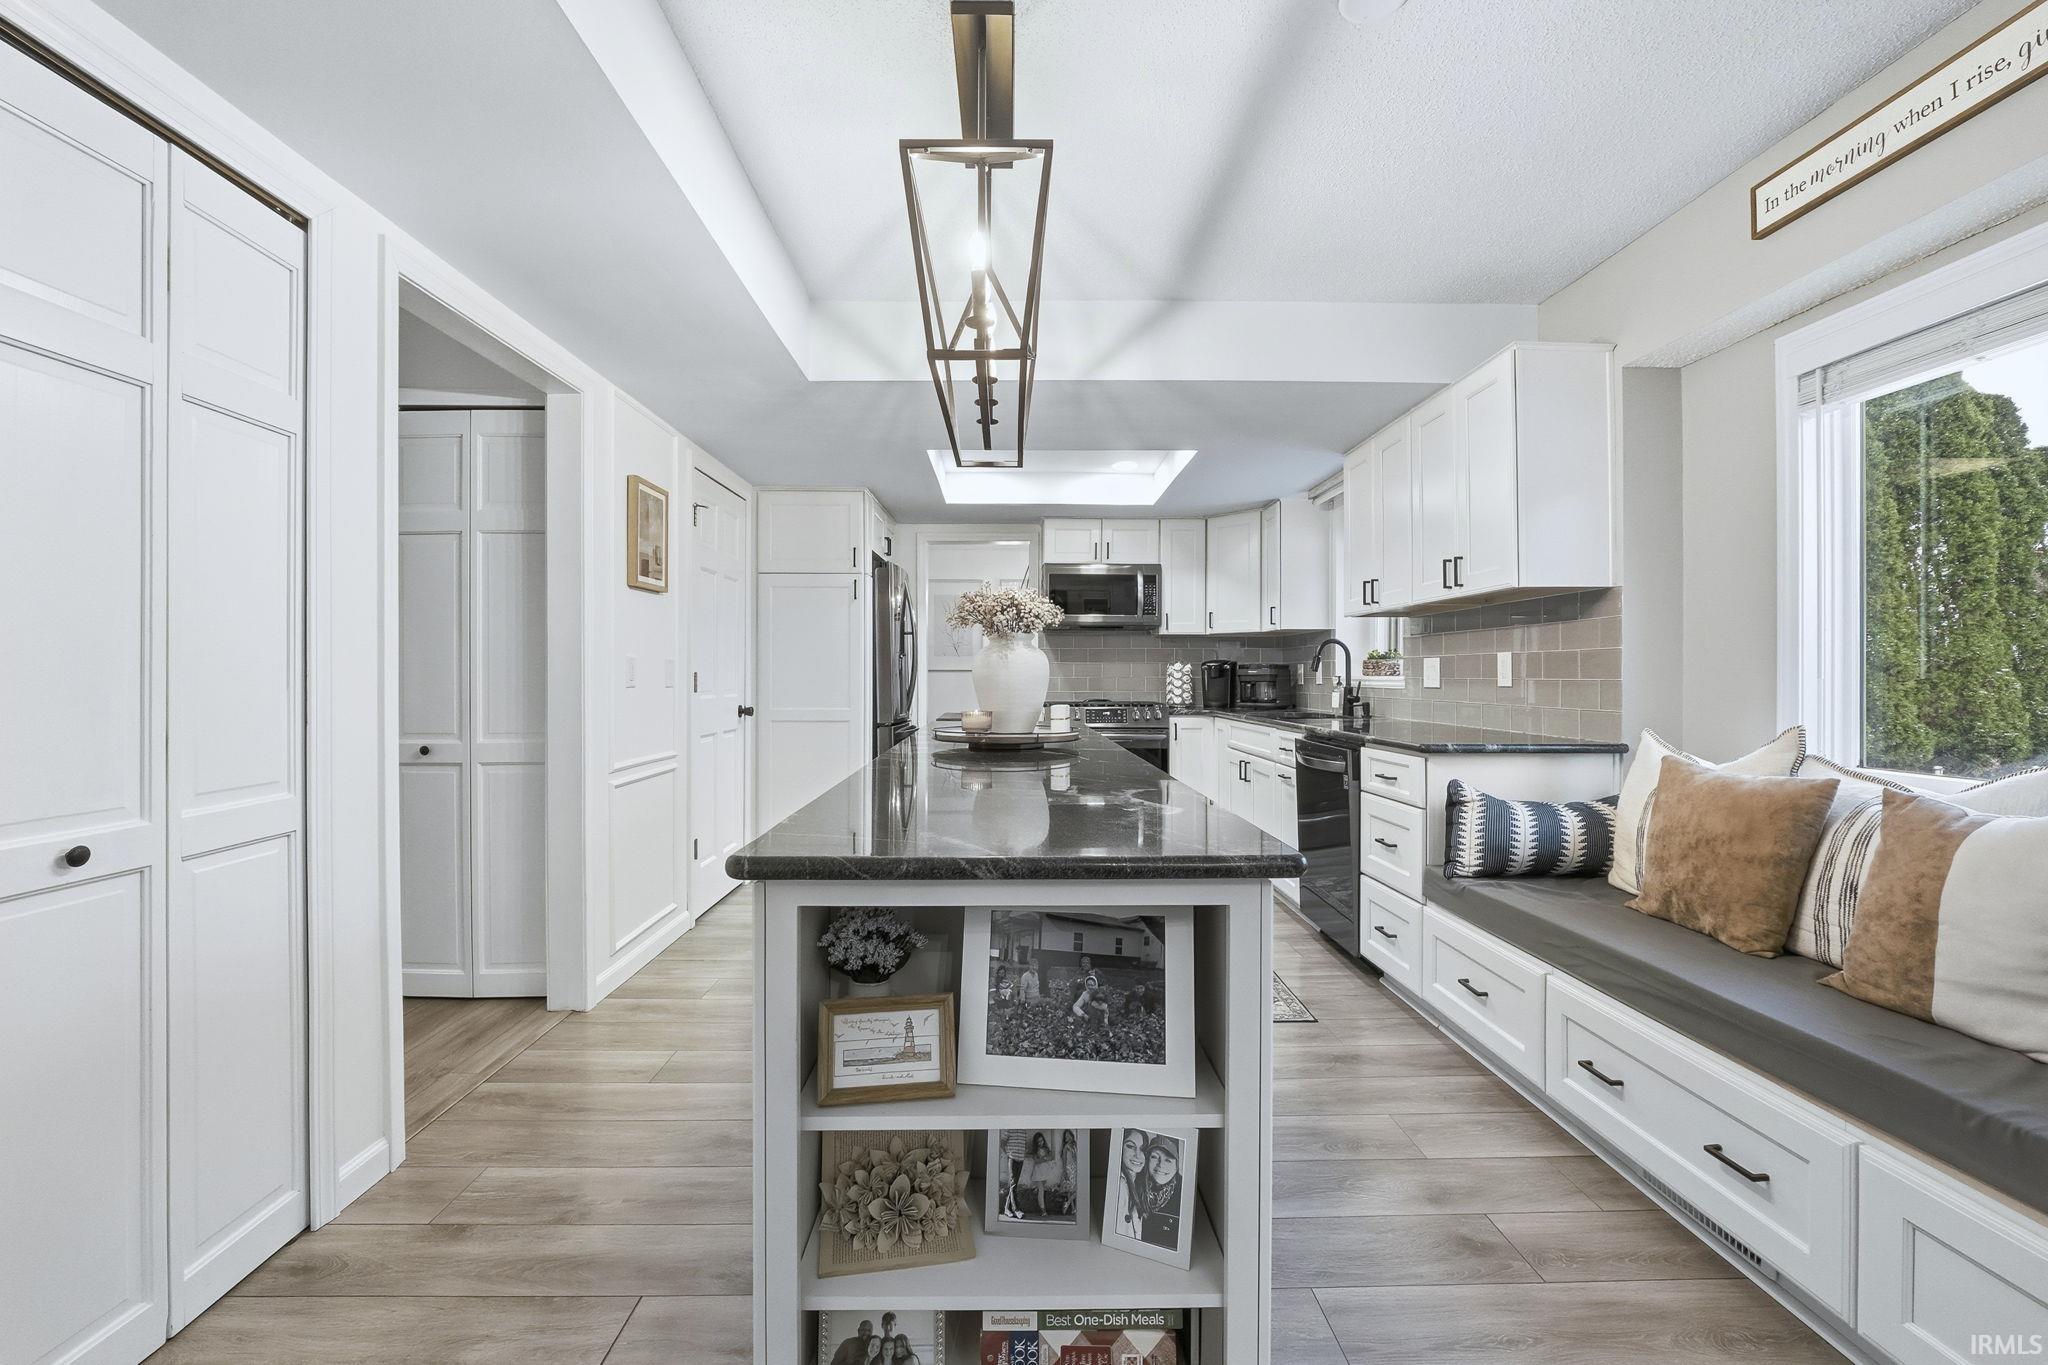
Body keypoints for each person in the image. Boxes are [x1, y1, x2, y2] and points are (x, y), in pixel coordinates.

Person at [1141, 1135, 1184, 1250]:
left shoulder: (1184, 1192)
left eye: (1168, 1160)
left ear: (1177, 1165)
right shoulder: (1136, 1185)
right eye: (1155, 1157)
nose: (1160, 1165)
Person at [1115, 1129, 1149, 1239]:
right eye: (1130, 1146)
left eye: (1142, 1149)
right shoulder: (1118, 1183)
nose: (1137, 1155)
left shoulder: (1140, 1185)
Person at [1001, 1129, 1032, 1218]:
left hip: (1021, 1159)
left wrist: (1024, 1151)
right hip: (1012, 1159)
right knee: (1013, 1184)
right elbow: (1002, 1142)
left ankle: (1006, 1209)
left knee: (1014, 1184)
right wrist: (1008, 1153)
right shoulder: (1010, 1129)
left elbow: (1024, 1144)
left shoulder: (1024, 1131)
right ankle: (1016, 1209)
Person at [1056, 1129, 1079, 1218]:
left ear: (1072, 1136)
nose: (1068, 1137)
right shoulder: (1066, 1147)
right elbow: (1064, 1161)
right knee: (1071, 1189)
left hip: (1076, 1167)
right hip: (1070, 1169)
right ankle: (1073, 1208)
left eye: (1069, 1135)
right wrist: (1065, 1172)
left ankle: (1068, 1203)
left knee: (1076, 1189)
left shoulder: (1076, 1144)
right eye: (1066, 1136)